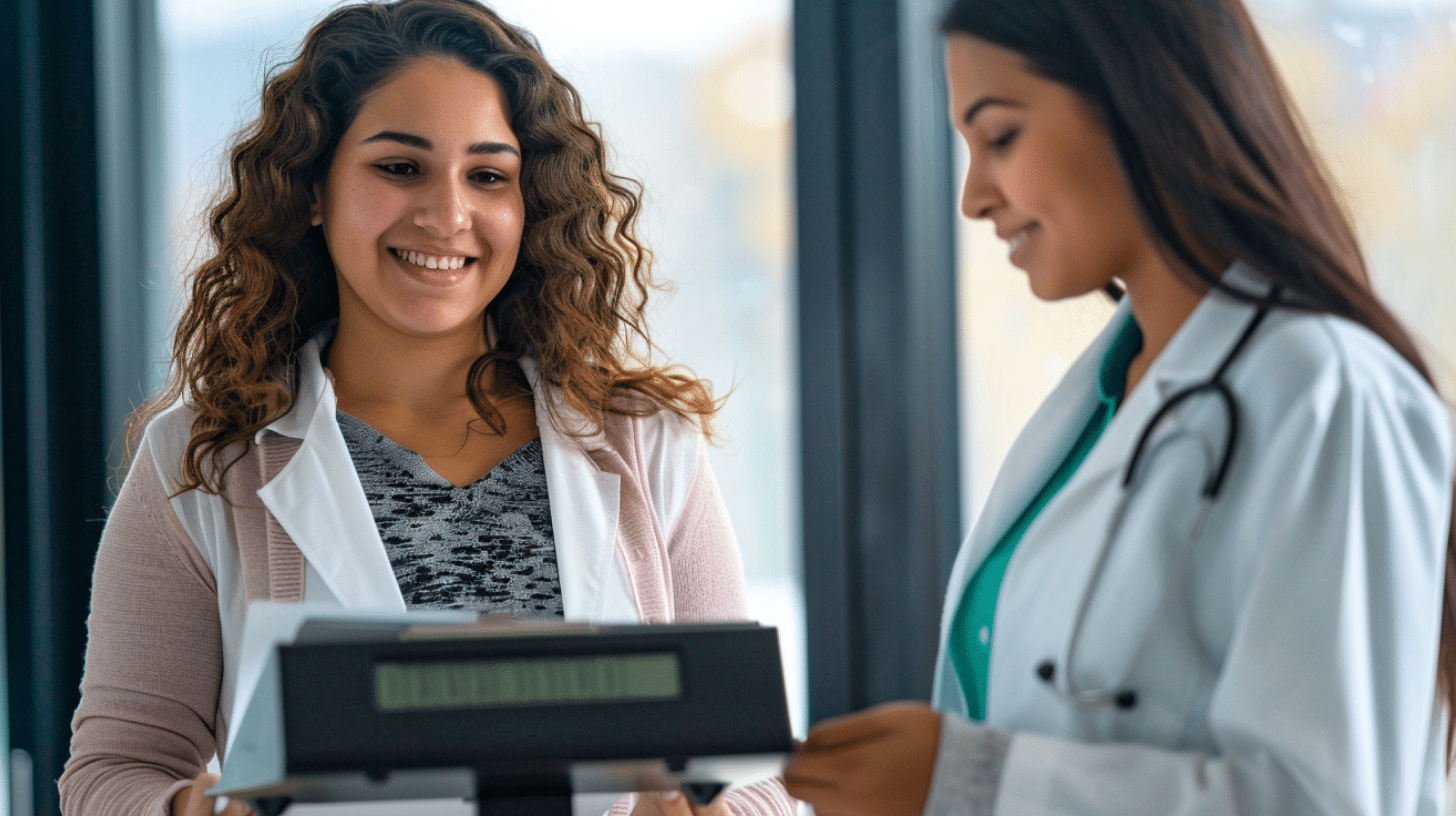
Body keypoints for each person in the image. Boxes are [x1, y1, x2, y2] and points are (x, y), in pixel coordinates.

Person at [58, 2, 794, 815]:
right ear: (312, 188)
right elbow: (112, 770)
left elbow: (752, 772)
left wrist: (712, 810)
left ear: (527, 206)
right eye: (400, 168)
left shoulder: (643, 442)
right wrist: (193, 811)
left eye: (488, 176)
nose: (447, 215)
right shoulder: (203, 459)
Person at [784, 0, 1456, 814]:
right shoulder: (1100, 407)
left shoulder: (1328, 393)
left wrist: (966, 782)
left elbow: (1328, 801)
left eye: (1000, 137)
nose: (973, 197)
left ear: (1142, 102)